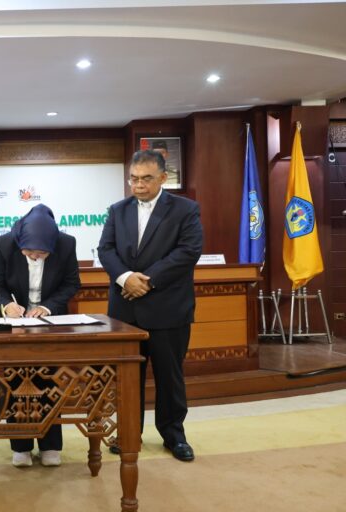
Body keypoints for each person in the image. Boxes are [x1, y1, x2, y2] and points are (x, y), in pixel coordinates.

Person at [98, 149, 202, 462]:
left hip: (169, 308)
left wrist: (147, 281)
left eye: (146, 179)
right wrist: (125, 278)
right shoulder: (117, 210)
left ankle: (174, 436)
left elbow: (189, 251)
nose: (138, 185)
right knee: (128, 378)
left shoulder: (185, 209)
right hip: (125, 311)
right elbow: (106, 250)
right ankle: (129, 433)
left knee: (170, 377)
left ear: (163, 178)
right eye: (133, 179)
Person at [0, 204, 80, 468]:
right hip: (16, 325)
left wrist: (47, 306)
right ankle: (21, 445)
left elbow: (72, 283)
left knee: (49, 381)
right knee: (16, 382)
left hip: (50, 323)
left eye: (42, 254)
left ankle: (50, 445)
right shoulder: (5, 244)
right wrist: (7, 305)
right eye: (29, 253)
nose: (35, 258)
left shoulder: (66, 244)